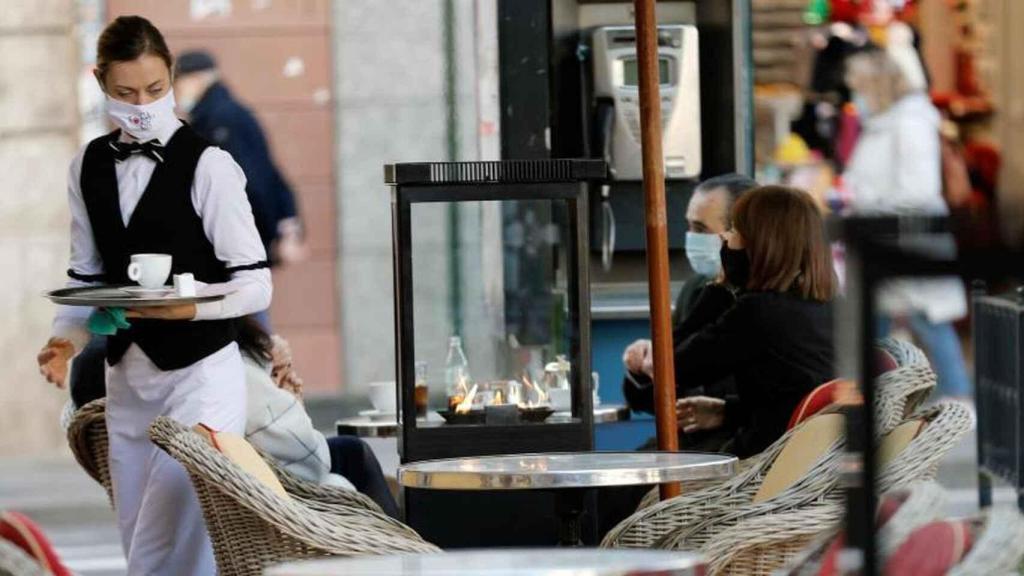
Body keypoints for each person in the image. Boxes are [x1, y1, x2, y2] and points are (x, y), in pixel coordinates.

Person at [37, 16, 271, 575]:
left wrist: (186, 307)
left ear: (170, 76)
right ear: (99, 82)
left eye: (155, 89)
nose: (141, 103)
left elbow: (255, 282)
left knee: (170, 539)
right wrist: (63, 341)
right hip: (129, 379)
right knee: (140, 531)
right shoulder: (87, 167)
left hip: (202, 376)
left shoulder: (210, 166)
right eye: (125, 93)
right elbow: (88, 277)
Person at [623, 186, 836, 458]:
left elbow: (668, 368)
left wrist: (720, 287)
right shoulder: (830, 308)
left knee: (624, 492)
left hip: (757, 473)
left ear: (762, 244)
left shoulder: (758, 312)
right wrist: (727, 412)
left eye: (734, 231)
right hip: (805, 466)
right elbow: (789, 397)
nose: (725, 238)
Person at [842, 47, 971, 399]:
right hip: (884, 235)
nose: (854, 98)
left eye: (857, 87)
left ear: (876, 85)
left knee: (928, 317)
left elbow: (917, 189)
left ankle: (956, 395)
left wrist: (867, 203)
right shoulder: (882, 124)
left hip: (910, 235)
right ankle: (876, 399)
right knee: (878, 321)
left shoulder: (910, 123)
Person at [622, 173, 757, 452]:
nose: (691, 239)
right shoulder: (697, 289)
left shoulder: (761, 300)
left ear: (739, 233)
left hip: (739, 450)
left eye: (700, 229)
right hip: (689, 441)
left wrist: (724, 411)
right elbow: (666, 390)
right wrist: (642, 366)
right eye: (689, 227)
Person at [173, 50, 306, 270]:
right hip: (243, 238)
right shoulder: (226, 113)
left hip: (236, 240)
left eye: (178, 84)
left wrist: (274, 233)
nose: (176, 93)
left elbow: (250, 180)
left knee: (243, 300)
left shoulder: (220, 121)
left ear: (195, 80)